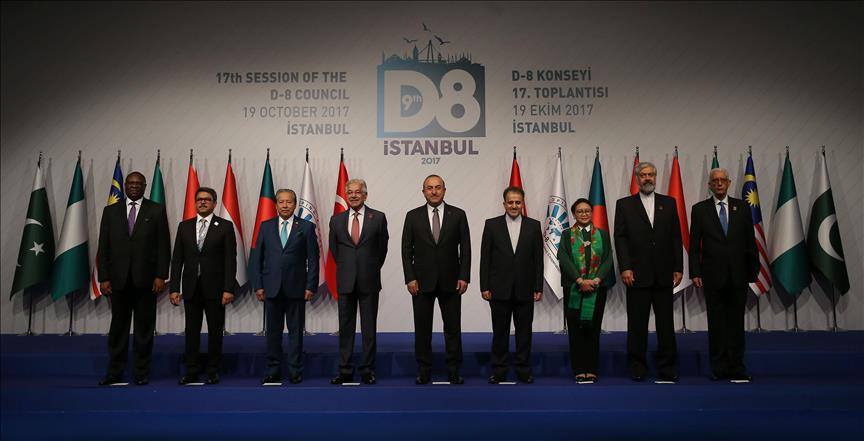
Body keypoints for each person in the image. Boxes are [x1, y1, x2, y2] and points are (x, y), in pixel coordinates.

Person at [97, 171, 171, 386]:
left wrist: (161, 275)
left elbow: (163, 245)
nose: (134, 186)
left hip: (147, 281)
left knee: (144, 329)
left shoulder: (156, 210)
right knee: (118, 328)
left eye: (139, 183)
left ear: (145, 186)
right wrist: (104, 277)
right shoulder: (110, 211)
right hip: (118, 280)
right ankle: (115, 372)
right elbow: (104, 247)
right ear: (125, 186)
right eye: (131, 183)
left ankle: (141, 372)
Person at [614, 162, 682, 383]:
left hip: (664, 273)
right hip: (636, 274)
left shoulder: (669, 203)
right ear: (637, 178)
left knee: (666, 324)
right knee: (637, 324)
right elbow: (620, 238)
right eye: (643, 175)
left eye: (651, 174)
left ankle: (667, 367)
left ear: (655, 177)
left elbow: (676, 236)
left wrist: (678, 267)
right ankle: (637, 366)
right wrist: (625, 267)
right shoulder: (624, 205)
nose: (647, 178)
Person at [689, 168, 759, 382]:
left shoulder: (743, 207)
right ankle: (718, 367)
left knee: (736, 324)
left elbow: (750, 242)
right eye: (715, 181)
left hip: (739, 275)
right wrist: (695, 272)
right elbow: (694, 246)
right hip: (712, 276)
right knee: (717, 324)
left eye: (722, 180)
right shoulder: (699, 210)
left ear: (729, 183)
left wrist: (753, 270)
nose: (719, 183)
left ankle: (736, 367)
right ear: (709, 185)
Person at [401, 175, 471, 385]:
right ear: (423, 191)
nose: (434, 191)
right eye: (429, 188)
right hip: (421, 283)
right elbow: (406, 250)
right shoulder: (412, 216)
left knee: (453, 329)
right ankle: (424, 370)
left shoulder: (458, 214)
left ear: (444, 190)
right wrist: (410, 278)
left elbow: (466, 248)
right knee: (422, 330)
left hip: (452, 281)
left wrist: (464, 276)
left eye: (438, 187)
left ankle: (454, 370)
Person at [250, 189, 319, 385]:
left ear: (295, 204)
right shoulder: (265, 226)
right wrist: (258, 285)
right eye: (281, 202)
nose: (285, 205)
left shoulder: (306, 227)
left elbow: (314, 259)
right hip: (271, 288)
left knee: (296, 333)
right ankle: (273, 370)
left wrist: (311, 286)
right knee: (273, 333)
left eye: (289, 202)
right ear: (276, 205)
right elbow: (256, 258)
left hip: (297, 288)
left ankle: (295, 370)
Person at [169, 187, 237, 385]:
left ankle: (213, 370)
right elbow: (177, 260)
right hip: (191, 288)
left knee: (215, 331)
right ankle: (191, 370)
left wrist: (228, 288)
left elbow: (230, 260)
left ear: (214, 203)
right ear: (195, 203)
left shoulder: (225, 226)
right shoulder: (184, 226)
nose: (203, 202)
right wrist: (174, 288)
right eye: (199, 199)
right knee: (191, 331)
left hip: (216, 289)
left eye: (207, 199)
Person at [479, 186, 543, 384]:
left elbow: (538, 259)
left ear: (522, 204)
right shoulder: (491, 225)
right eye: (510, 202)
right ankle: (499, 370)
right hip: (499, 288)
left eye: (517, 202)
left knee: (524, 333)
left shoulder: (534, 226)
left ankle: (523, 369)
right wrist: (484, 286)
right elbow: (485, 258)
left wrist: (538, 287)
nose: (514, 205)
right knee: (500, 332)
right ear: (504, 204)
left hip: (526, 289)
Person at [328, 179, 389, 385]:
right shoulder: (336, 220)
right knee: (345, 328)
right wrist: (348, 268)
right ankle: (345, 370)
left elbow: (382, 249)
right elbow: (335, 250)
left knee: (369, 328)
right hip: (345, 280)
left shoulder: (378, 217)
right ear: (346, 195)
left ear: (365, 195)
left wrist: (369, 267)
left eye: (357, 192)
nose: (353, 195)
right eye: (350, 192)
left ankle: (367, 370)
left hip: (369, 280)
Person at [558, 198, 613, 384]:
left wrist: (596, 280)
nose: (584, 214)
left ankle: (592, 368)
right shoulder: (567, 234)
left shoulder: (603, 234)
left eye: (587, 211)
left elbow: (608, 258)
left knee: (593, 328)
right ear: (574, 214)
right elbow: (563, 258)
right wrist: (580, 280)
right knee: (575, 329)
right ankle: (579, 369)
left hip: (597, 288)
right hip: (574, 288)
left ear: (592, 213)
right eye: (580, 211)